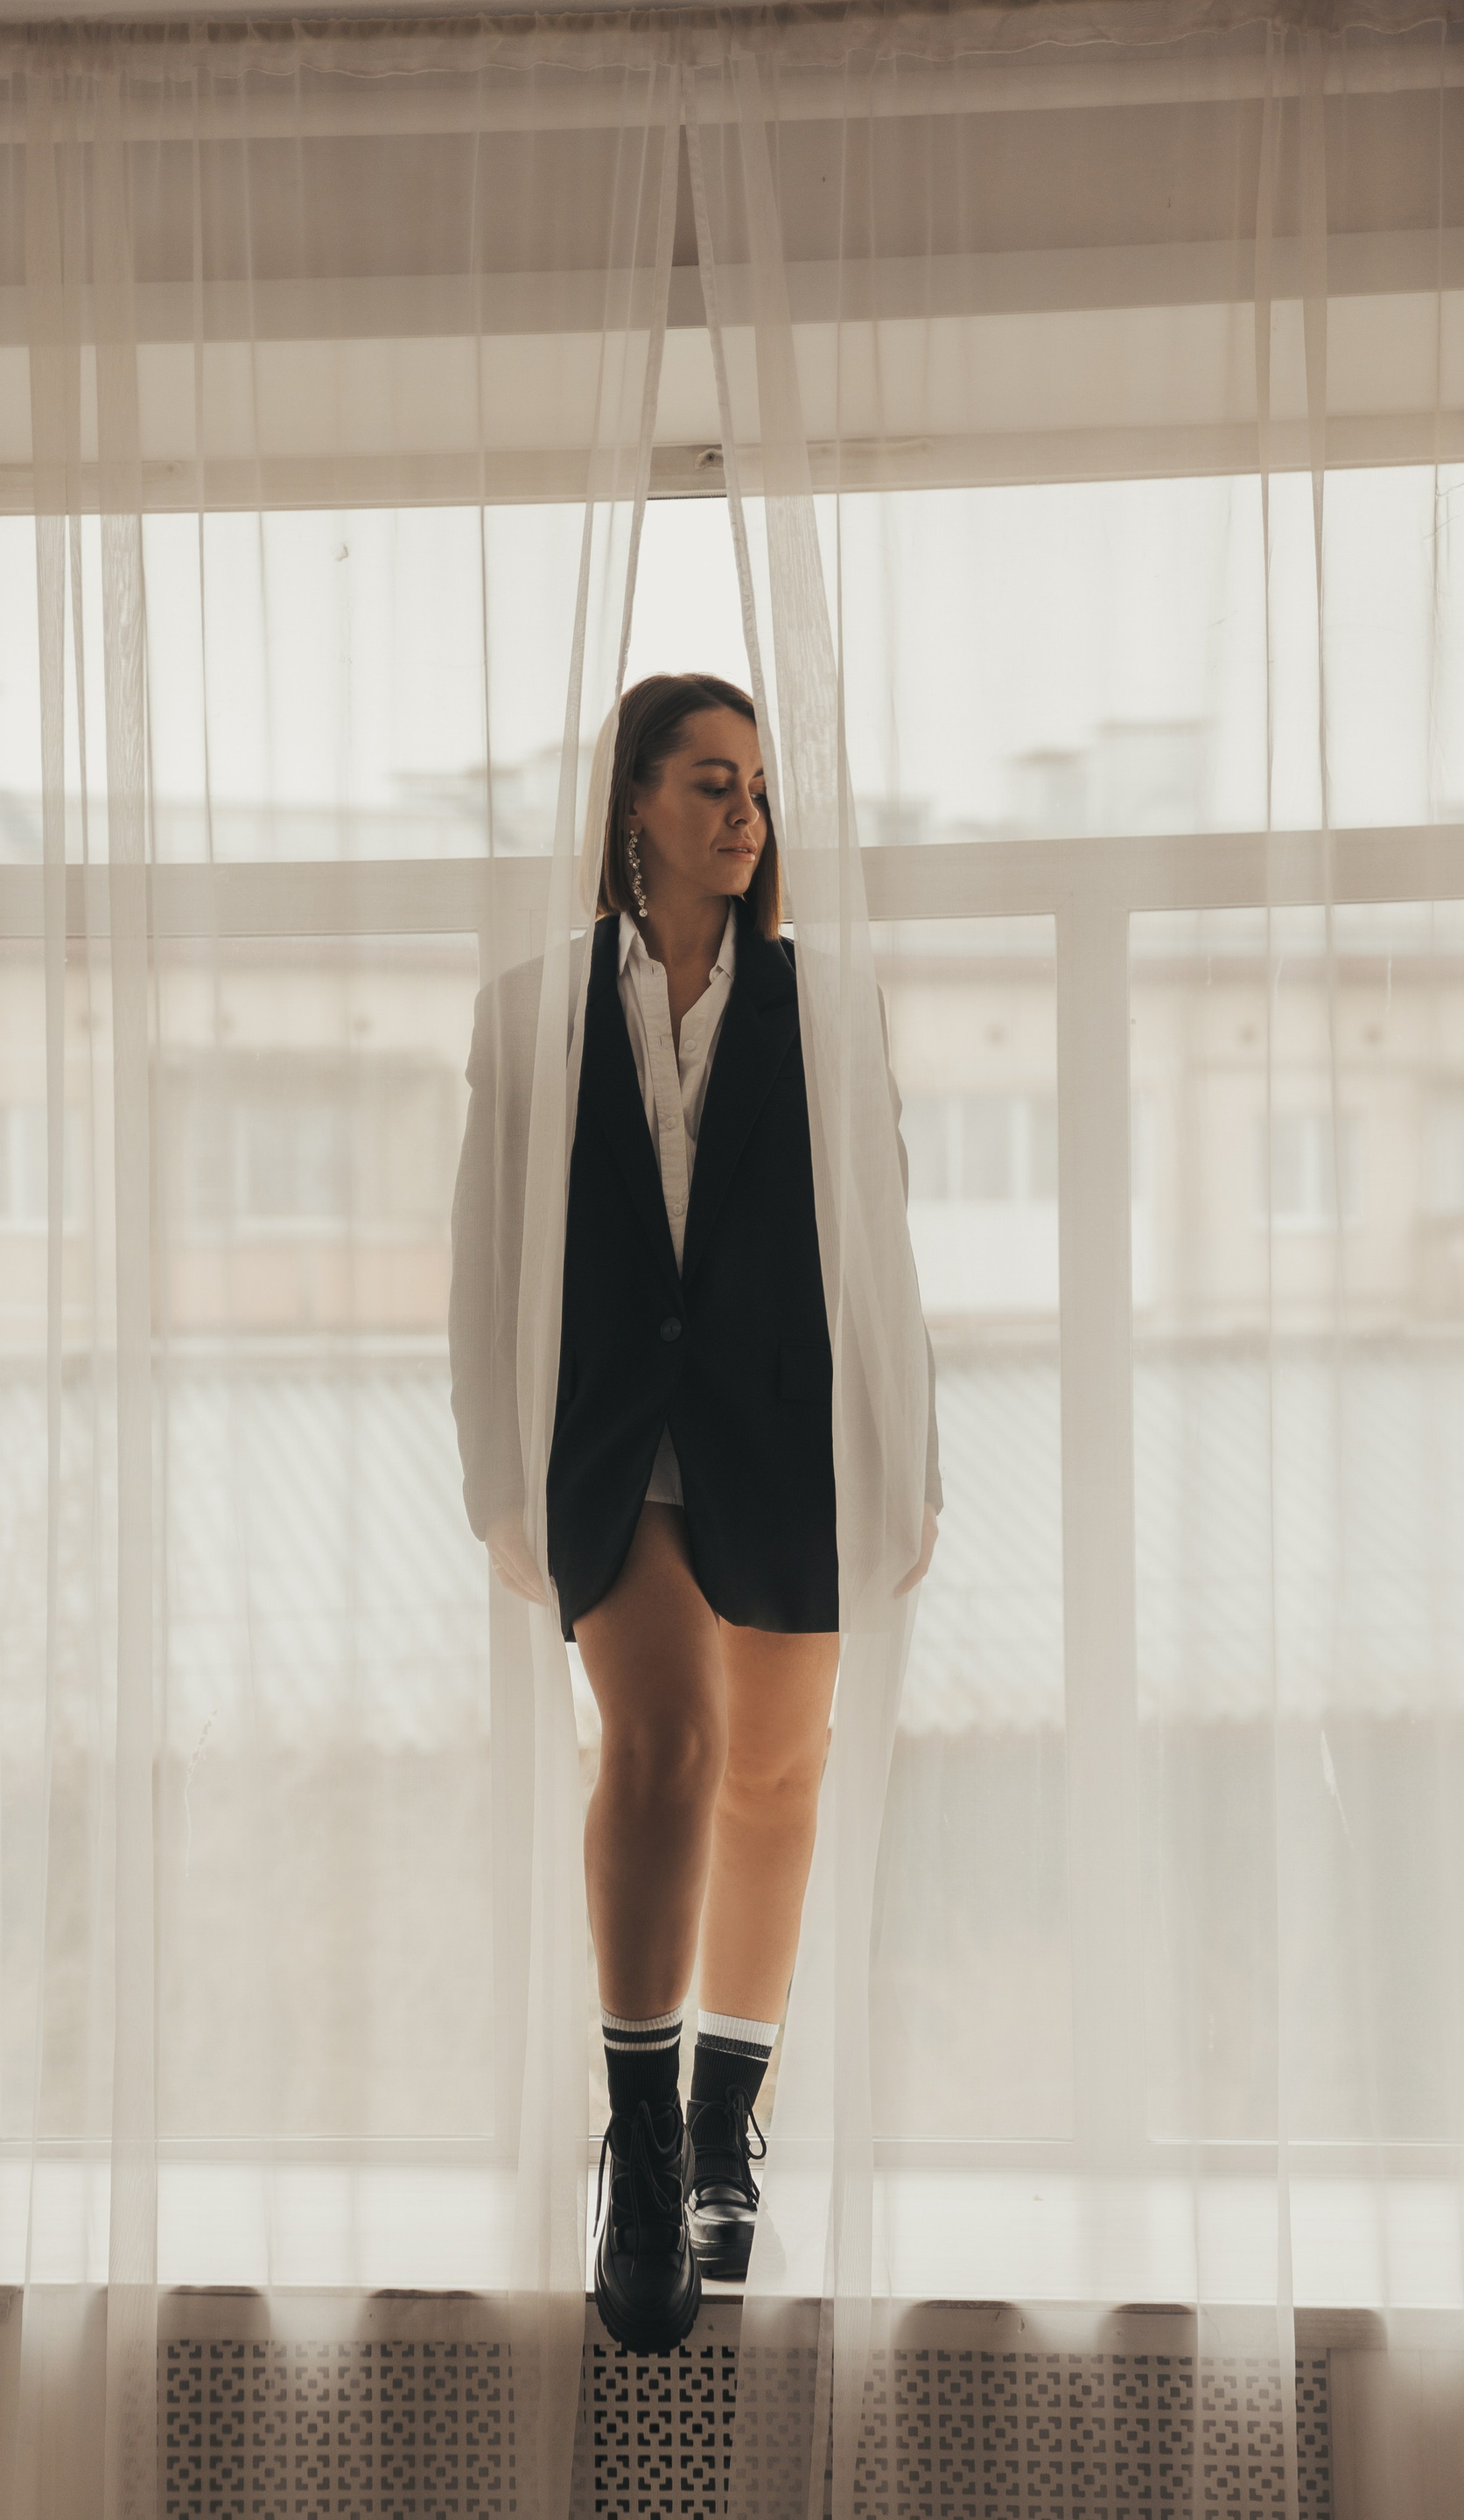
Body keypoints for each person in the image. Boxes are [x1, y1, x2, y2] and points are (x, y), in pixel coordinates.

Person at [449, 672, 941, 2356]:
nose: (745, 814)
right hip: (609, 1438)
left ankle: (731, 2120)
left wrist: (910, 1462)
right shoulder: (530, 1008)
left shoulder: (826, 1008)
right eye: (711, 782)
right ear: (635, 805)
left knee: (779, 1777)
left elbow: (879, 1254)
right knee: (665, 1741)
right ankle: (645, 2150)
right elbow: (485, 1262)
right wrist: (494, 1474)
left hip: (786, 1433)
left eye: (757, 788)